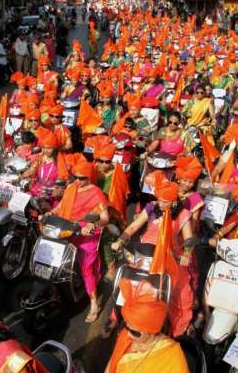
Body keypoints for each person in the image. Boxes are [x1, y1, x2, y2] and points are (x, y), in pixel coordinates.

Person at [112, 178, 195, 337]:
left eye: (166, 202)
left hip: (169, 255)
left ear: (174, 200)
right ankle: (116, 315)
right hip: (145, 252)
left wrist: (186, 254)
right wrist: (121, 240)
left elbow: (189, 239)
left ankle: (178, 327)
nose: (161, 204)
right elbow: (133, 227)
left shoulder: (183, 214)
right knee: (126, 282)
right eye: (159, 200)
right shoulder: (151, 207)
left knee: (183, 293)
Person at [48, 160, 109, 323]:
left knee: (86, 269)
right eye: (75, 177)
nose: (77, 181)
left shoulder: (97, 193)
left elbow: (105, 218)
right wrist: (50, 213)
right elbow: (61, 206)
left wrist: (92, 225)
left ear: (89, 178)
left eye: (82, 178)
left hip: (86, 234)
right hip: (67, 229)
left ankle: (94, 304)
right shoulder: (71, 188)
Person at [104, 280, 189, 373]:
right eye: (126, 325)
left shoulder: (172, 359)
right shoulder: (127, 332)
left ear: (151, 332)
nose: (128, 334)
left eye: (134, 332)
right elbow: (112, 361)